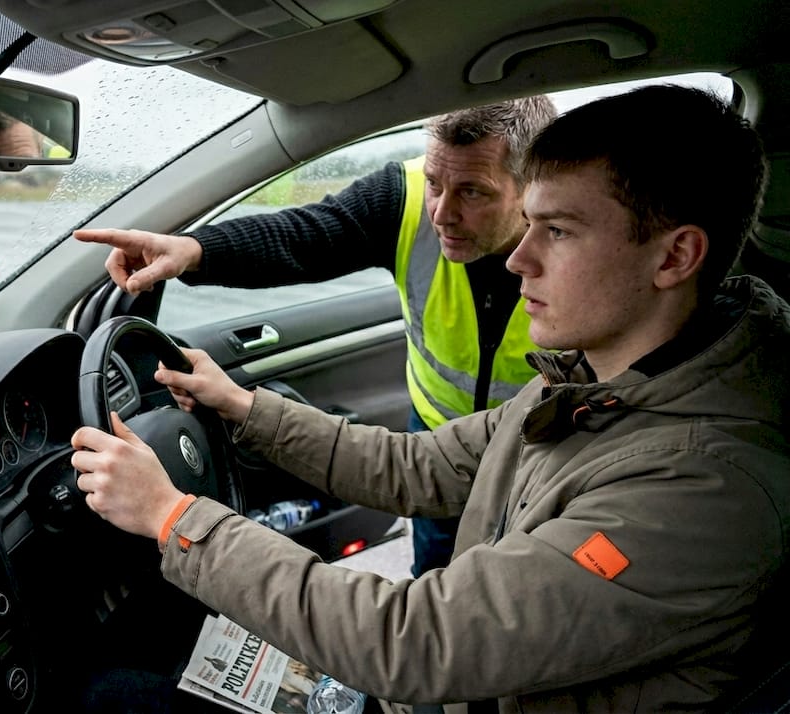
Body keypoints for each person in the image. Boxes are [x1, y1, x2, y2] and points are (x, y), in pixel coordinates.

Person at [71, 84, 789, 711]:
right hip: (456, 687)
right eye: (531, 222)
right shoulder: (592, 382)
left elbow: (416, 642)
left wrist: (172, 518)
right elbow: (421, 468)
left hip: (440, 681)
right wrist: (243, 408)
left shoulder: (703, 486)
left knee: (110, 696)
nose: (518, 258)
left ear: (674, 256)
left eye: (559, 232)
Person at [74, 96, 557, 577]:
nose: (442, 213)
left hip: (543, 454)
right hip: (432, 442)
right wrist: (193, 250)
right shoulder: (405, 197)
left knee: (516, 591)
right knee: (435, 571)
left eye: (472, 192)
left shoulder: (581, 250)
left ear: (531, 186)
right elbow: (307, 234)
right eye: (436, 182)